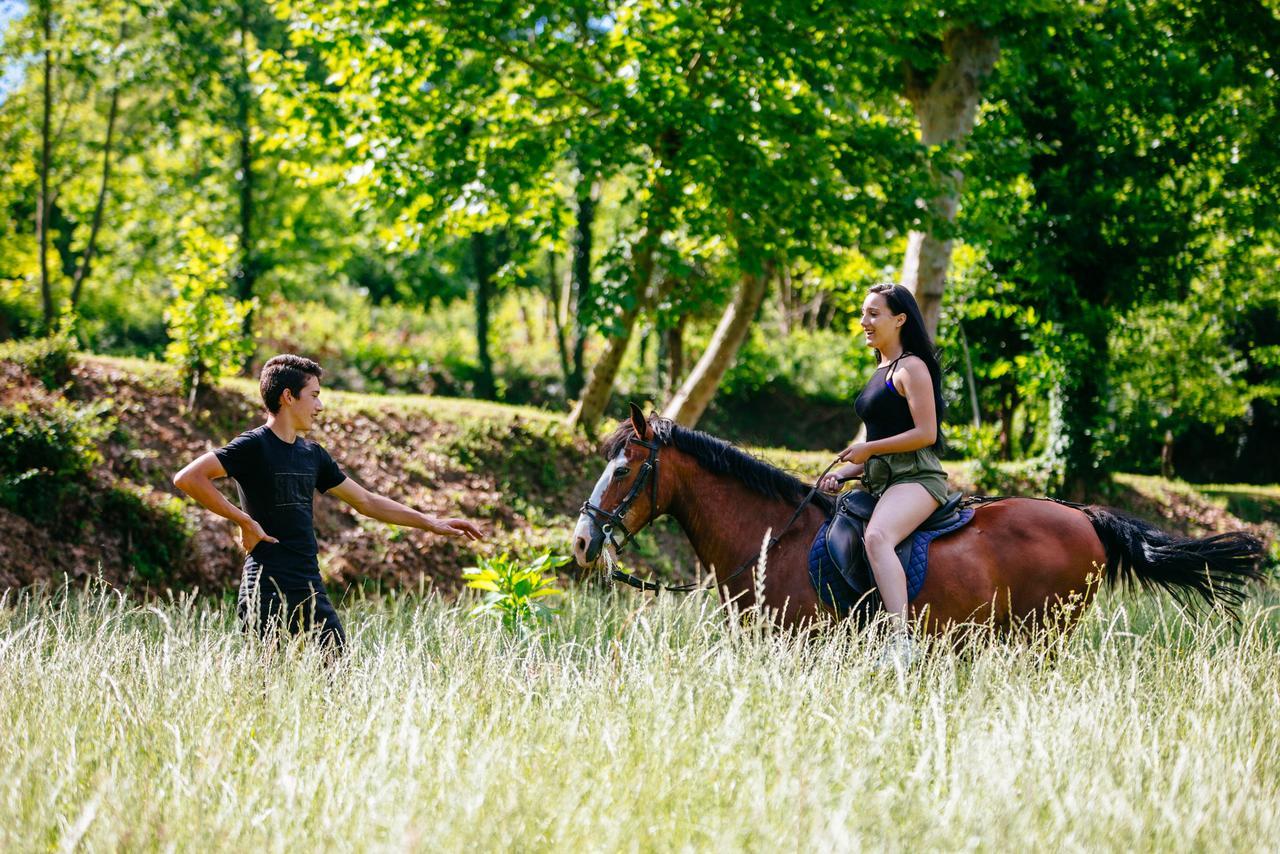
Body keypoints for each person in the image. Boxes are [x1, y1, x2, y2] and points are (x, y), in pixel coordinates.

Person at [173, 354, 484, 655]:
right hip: (264, 586)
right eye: (314, 395)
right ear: (288, 397)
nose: (320, 406)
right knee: (266, 688)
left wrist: (431, 522)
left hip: (308, 584)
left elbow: (366, 501)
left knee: (337, 676)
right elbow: (189, 478)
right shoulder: (253, 446)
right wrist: (244, 521)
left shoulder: (313, 455)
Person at [818, 284, 949, 668]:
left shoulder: (912, 368)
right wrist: (846, 472)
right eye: (863, 313)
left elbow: (926, 434)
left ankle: (902, 642)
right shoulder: (880, 370)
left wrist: (868, 450)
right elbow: (882, 443)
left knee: (877, 537)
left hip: (918, 480)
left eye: (874, 314)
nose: (864, 322)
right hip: (883, 479)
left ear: (900, 319)